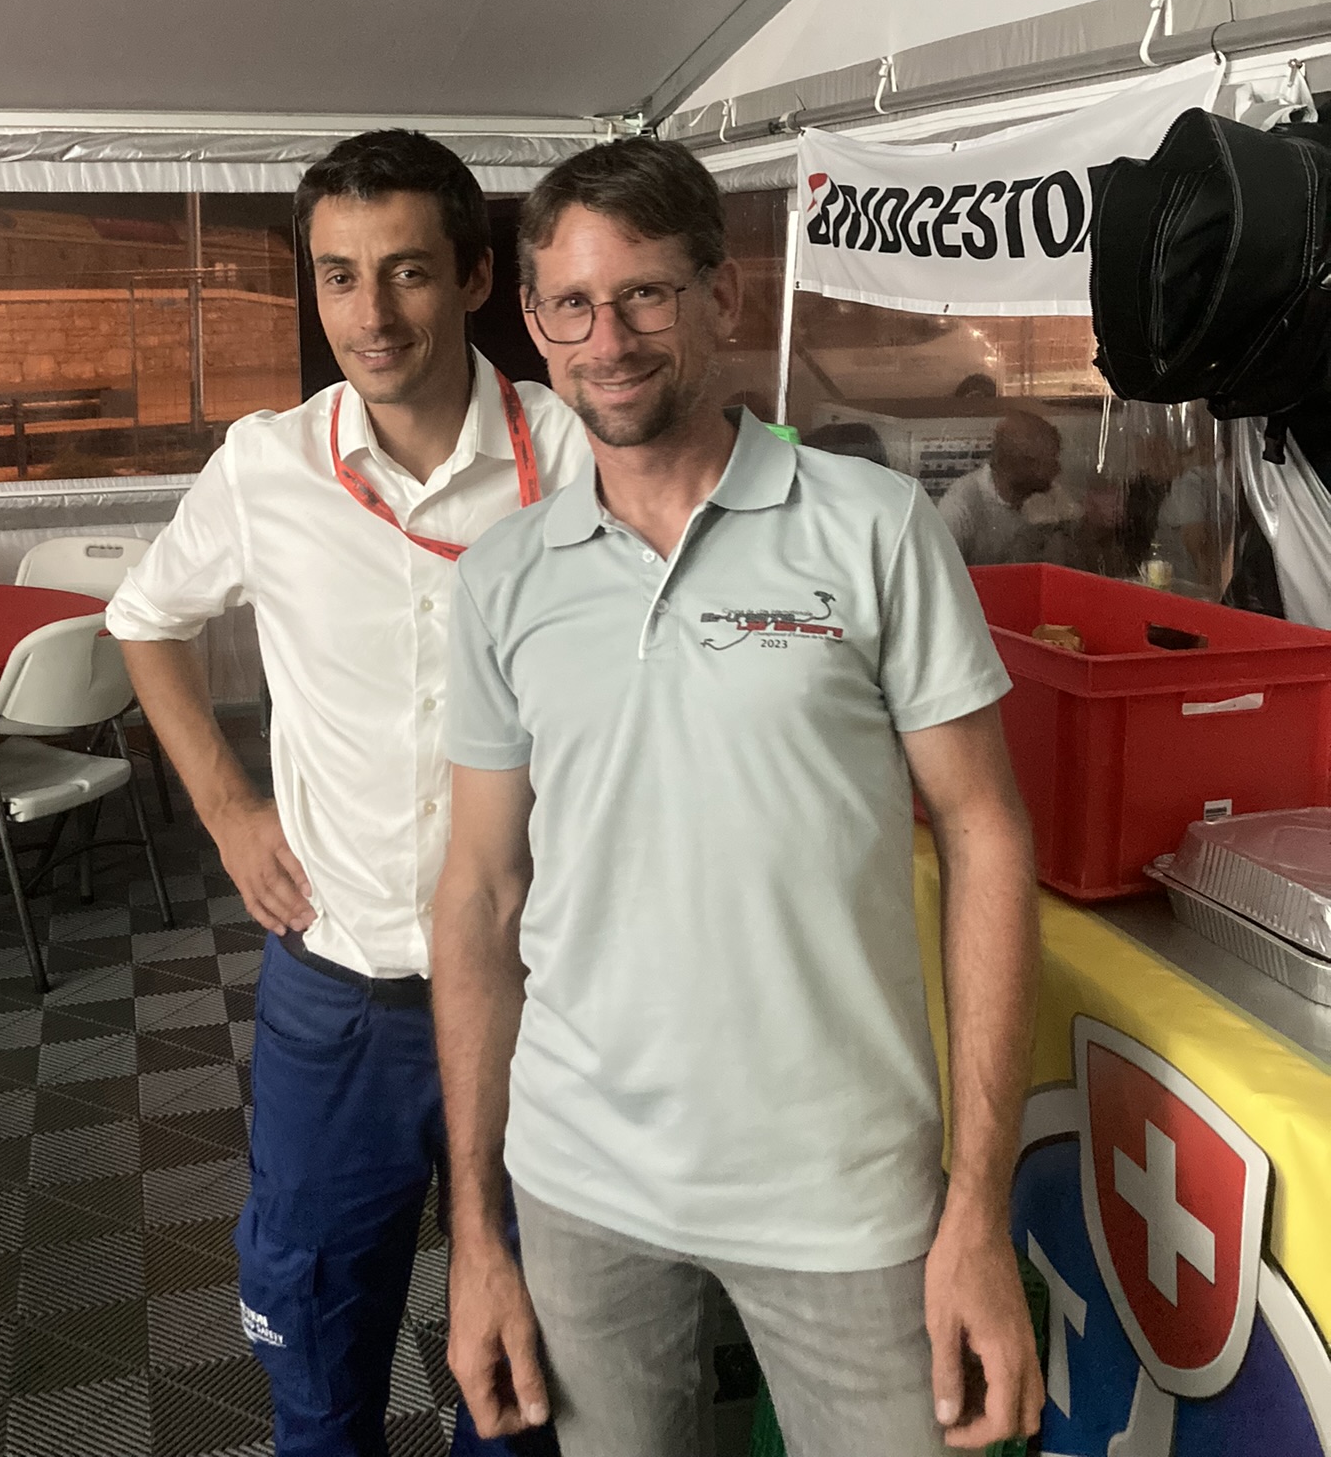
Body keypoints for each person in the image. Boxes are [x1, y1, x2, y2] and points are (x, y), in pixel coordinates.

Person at [432, 138, 1043, 1457]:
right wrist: (477, 1233)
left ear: (720, 296)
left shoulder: (874, 528)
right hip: (583, 1178)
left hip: (844, 1189)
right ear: (533, 323)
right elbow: (479, 895)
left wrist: (977, 1209)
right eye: (573, 305)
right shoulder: (502, 579)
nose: (610, 340)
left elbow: (987, 834)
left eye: (645, 293)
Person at [106, 129, 588, 1457]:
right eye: (337, 275)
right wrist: (228, 810)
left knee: (530, 1387)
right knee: (317, 1376)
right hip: (341, 1000)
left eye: (407, 271)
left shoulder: (575, 456)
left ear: (476, 276)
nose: (369, 315)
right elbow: (146, 617)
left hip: (549, 999)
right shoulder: (268, 465)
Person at [937, 410, 1064, 565]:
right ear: (1019, 464)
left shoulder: (1049, 495)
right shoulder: (960, 507)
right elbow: (939, 571)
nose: (1057, 470)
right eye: (1048, 463)